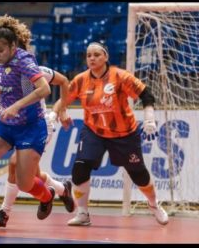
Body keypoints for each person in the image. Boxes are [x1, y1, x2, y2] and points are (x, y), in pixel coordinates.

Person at [0, 15, 66, 232]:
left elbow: (45, 89)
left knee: (24, 184)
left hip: (31, 127)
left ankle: (48, 194)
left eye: (1, 49)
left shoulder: (25, 60)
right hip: (6, 125)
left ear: (13, 46)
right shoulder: (0, 65)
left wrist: (16, 106)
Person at [60, 42, 168, 226]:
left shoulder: (120, 76)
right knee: (80, 167)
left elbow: (146, 95)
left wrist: (149, 118)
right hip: (94, 131)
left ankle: (153, 203)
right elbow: (64, 98)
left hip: (124, 133)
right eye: (88, 55)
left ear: (106, 57)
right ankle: (83, 213)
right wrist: (57, 113)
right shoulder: (80, 79)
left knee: (138, 174)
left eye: (96, 54)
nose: (92, 58)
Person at [0, 66, 75, 228]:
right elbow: (0, 99)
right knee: (33, 174)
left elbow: (63, 81)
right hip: (18, 127)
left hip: (39, 126)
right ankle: (63, 189)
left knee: (15, 164)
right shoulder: (2, 72)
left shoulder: (34, 70)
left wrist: (62, 110)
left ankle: (4, 212)